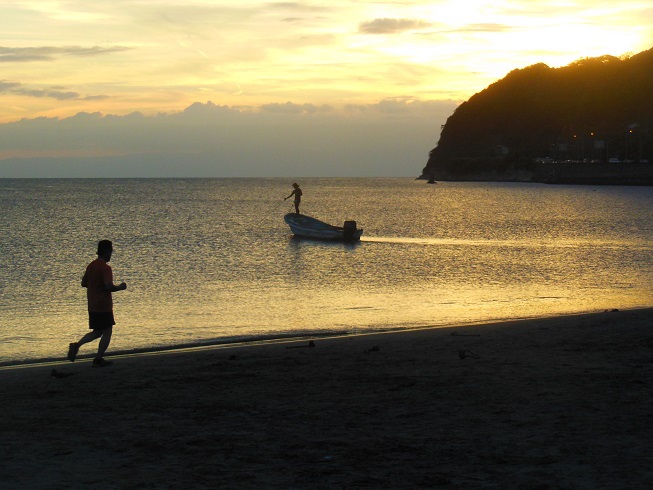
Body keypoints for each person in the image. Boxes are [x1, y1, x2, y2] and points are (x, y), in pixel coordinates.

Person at [67, 240, 127, 367]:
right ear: (106, 252)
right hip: (103, 305)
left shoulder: (91, 266)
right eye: (110, 251)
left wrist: (95, 285)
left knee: (97, 332)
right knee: (107, 331)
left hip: (93, 305)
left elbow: (84, 283)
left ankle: (77, 345)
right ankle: (98, 358)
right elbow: (108, 286)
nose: (111, 254)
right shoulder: (105, 268)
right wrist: (120, 287)